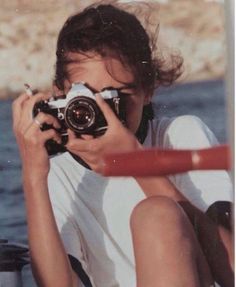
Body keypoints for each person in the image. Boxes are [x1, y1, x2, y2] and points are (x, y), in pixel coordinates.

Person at [12, 2, 233, 287]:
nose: (104, 110)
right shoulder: (58, 175)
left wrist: (133, 160)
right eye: (89, 97)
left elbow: (232, 271)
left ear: (148, 89)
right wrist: (32, 175)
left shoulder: (180, 136)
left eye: (117, 95)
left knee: (156, 214)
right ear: (61, 96)